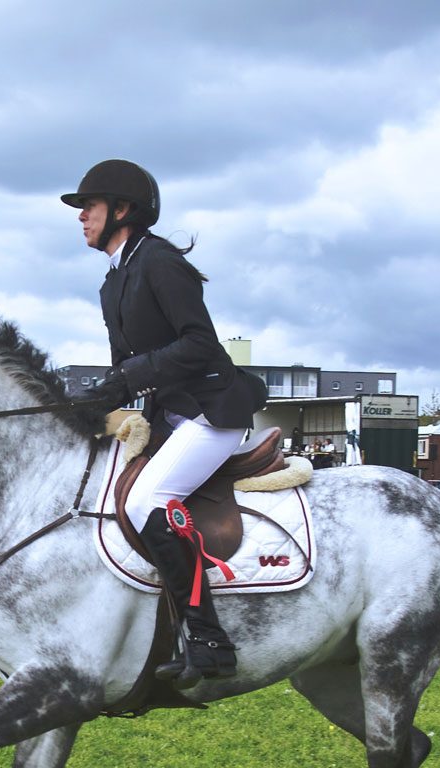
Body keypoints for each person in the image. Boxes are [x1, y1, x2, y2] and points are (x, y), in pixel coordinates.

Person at [62, 159, 267, 688]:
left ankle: (207, 638)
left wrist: (126, 376)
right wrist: (95, 402)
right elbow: (124, 370)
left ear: (122, 210)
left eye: (90, 206)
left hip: (212, 413)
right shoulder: (113, 283)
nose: (81, 216)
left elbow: (199, 344)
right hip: (169, 418)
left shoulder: (158, 261)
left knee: (145, 501)